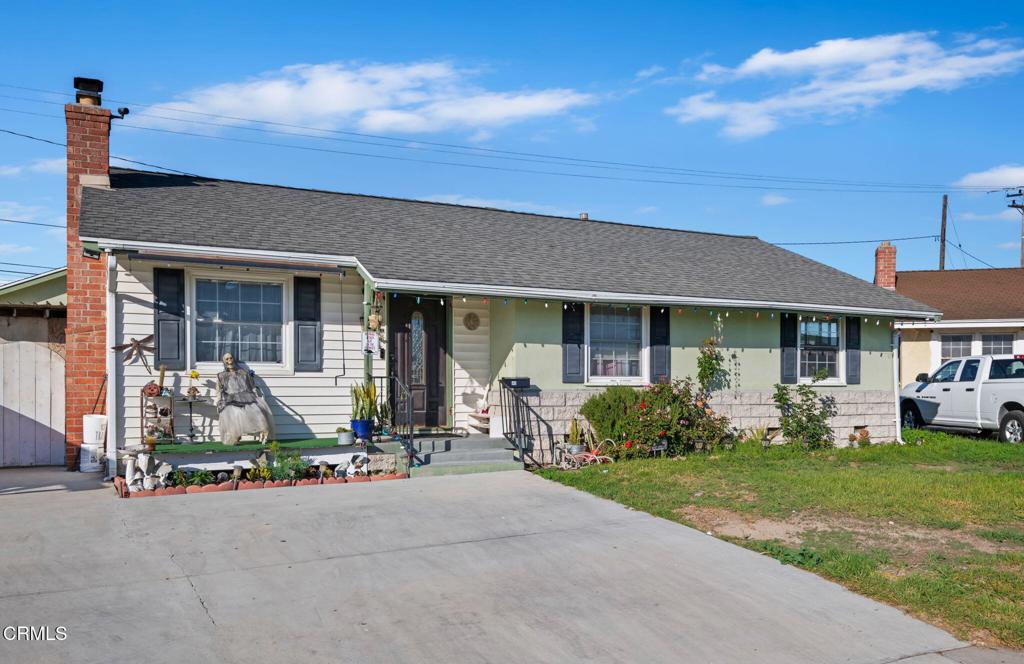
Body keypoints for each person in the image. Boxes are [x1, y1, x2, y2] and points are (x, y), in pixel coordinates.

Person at [216, 352, 274, 445]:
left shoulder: (242, 372)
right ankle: (236, 436)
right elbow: (218, 390)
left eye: (230, 358)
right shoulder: (221, 375)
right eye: (226, 359)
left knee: (255, 410)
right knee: (234, 412)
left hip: (246, 397)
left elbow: (252, 386)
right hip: (230, 399)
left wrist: (256, 396)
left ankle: (263, 431)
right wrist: (218, 401)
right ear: (224, 361)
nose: (229, 360)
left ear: (233, 359)